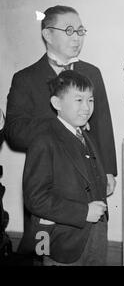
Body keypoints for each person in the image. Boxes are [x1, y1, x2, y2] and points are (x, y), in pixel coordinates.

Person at [4, 5, 117, 195]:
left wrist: (108, 171)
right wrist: (59, 125)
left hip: (90, 176)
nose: (77, 38)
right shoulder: (25, 78)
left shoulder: (92, 73)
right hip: (48, 180)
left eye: (80, 31)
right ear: (48, 35)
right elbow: (14, 133)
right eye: (69, 31)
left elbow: (102, 124)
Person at [18, 70, 108, 265]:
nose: (87, 107)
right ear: (57, 103)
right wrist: (83, 212)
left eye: (90, 100)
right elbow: (36, 199)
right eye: (79, 100)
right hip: (63, 242)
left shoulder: (82, 133)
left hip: (95, 236)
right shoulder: (44, 140)